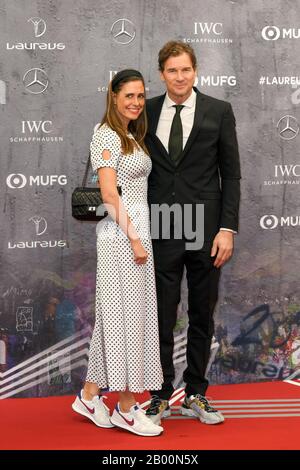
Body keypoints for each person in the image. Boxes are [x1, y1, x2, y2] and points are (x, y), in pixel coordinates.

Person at [145, 41, 241, 425]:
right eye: (172, 70)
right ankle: (160, 395)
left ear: (195, 71)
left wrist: (227, 228)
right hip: (163, 224)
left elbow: (230, 174)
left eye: (185, 70)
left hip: (206, 228)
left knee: (202, 314)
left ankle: (197, 393)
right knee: (161, 315)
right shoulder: (146, 111)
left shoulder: (219, 110)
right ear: (162, 74)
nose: (179, 77)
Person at [72, 69, 164, 437]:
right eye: (129, 95)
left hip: (136, 230)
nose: (136, 102)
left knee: (118, 313)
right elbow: (109, 195)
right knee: (128, 316)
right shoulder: (106, 134)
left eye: (141, 96)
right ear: (113, 96)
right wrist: (135, 239)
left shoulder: (128, 133)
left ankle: (90, 395)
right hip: (123, 235)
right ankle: (126, 408)